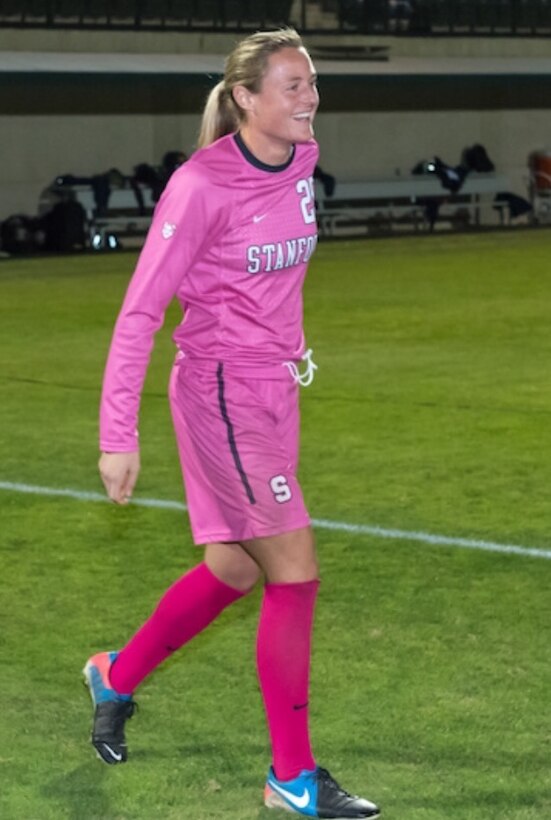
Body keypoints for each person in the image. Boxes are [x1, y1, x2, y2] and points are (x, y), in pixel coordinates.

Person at [83, 28, 380, 820]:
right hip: (219, 392)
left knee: (236, 570)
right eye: (291, 85)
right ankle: (293, 776)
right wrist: (119, 434)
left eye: (311, 82)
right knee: (293, 568)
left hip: (273, 393)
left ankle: (114, 675)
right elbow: (141, 310)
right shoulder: (199, 185)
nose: (309, 97)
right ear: (246, 97)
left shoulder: (303, 162)